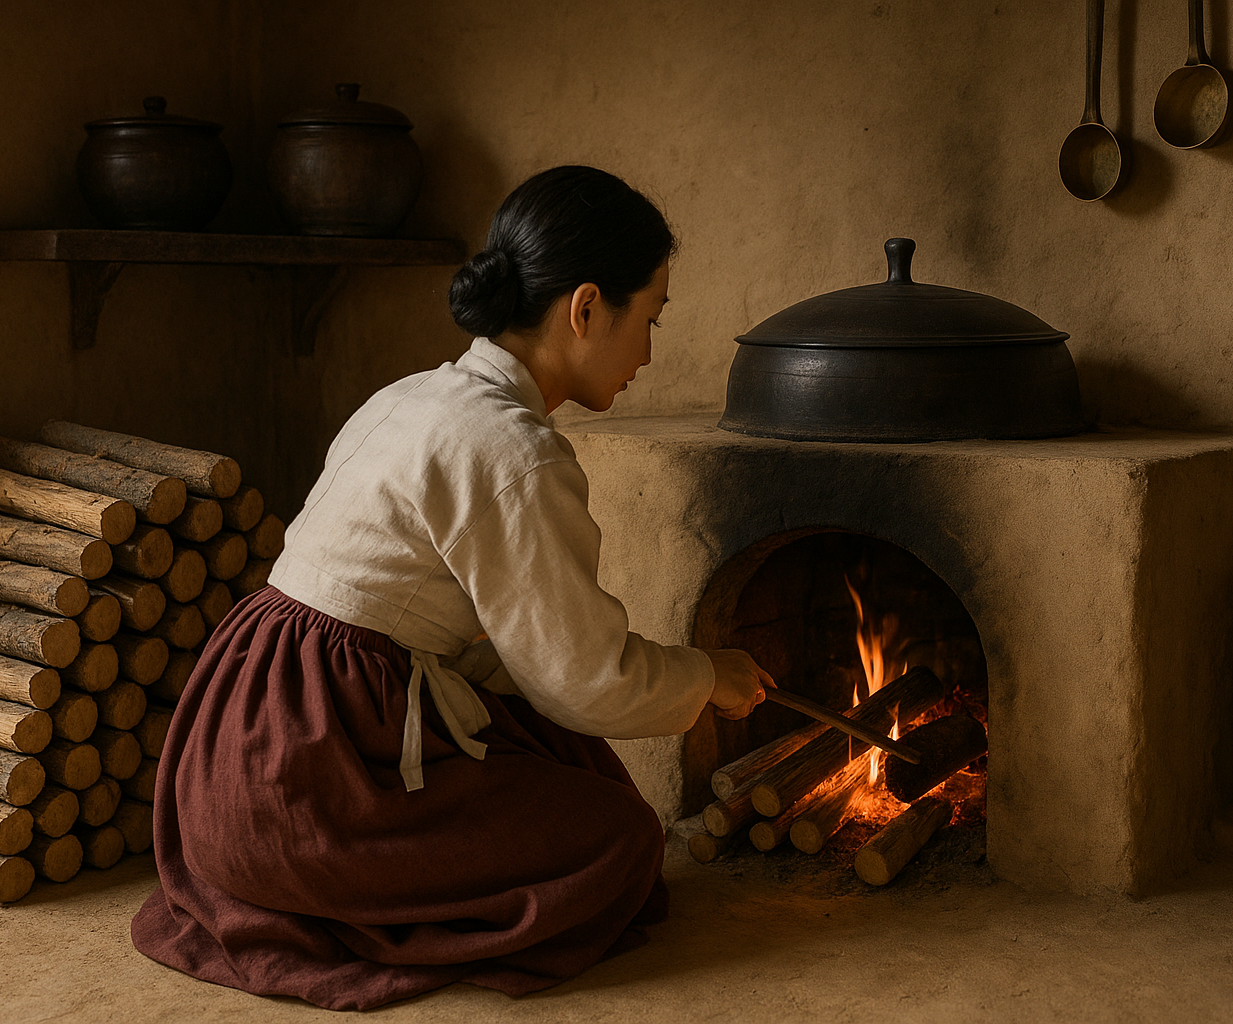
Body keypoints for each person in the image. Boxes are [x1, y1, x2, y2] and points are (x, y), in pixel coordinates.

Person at [130, 165, 774, 1011]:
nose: (649, 353)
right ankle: (334, 889)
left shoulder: (411, 395)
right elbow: (588, 679)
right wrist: (708, 675)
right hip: (307, 773)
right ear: (584, 309)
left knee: (562, 754)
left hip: (226, 746)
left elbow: (515, 652)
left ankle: (299, 874)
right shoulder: (516, 452)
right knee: (620, 837)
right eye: (648, 319)